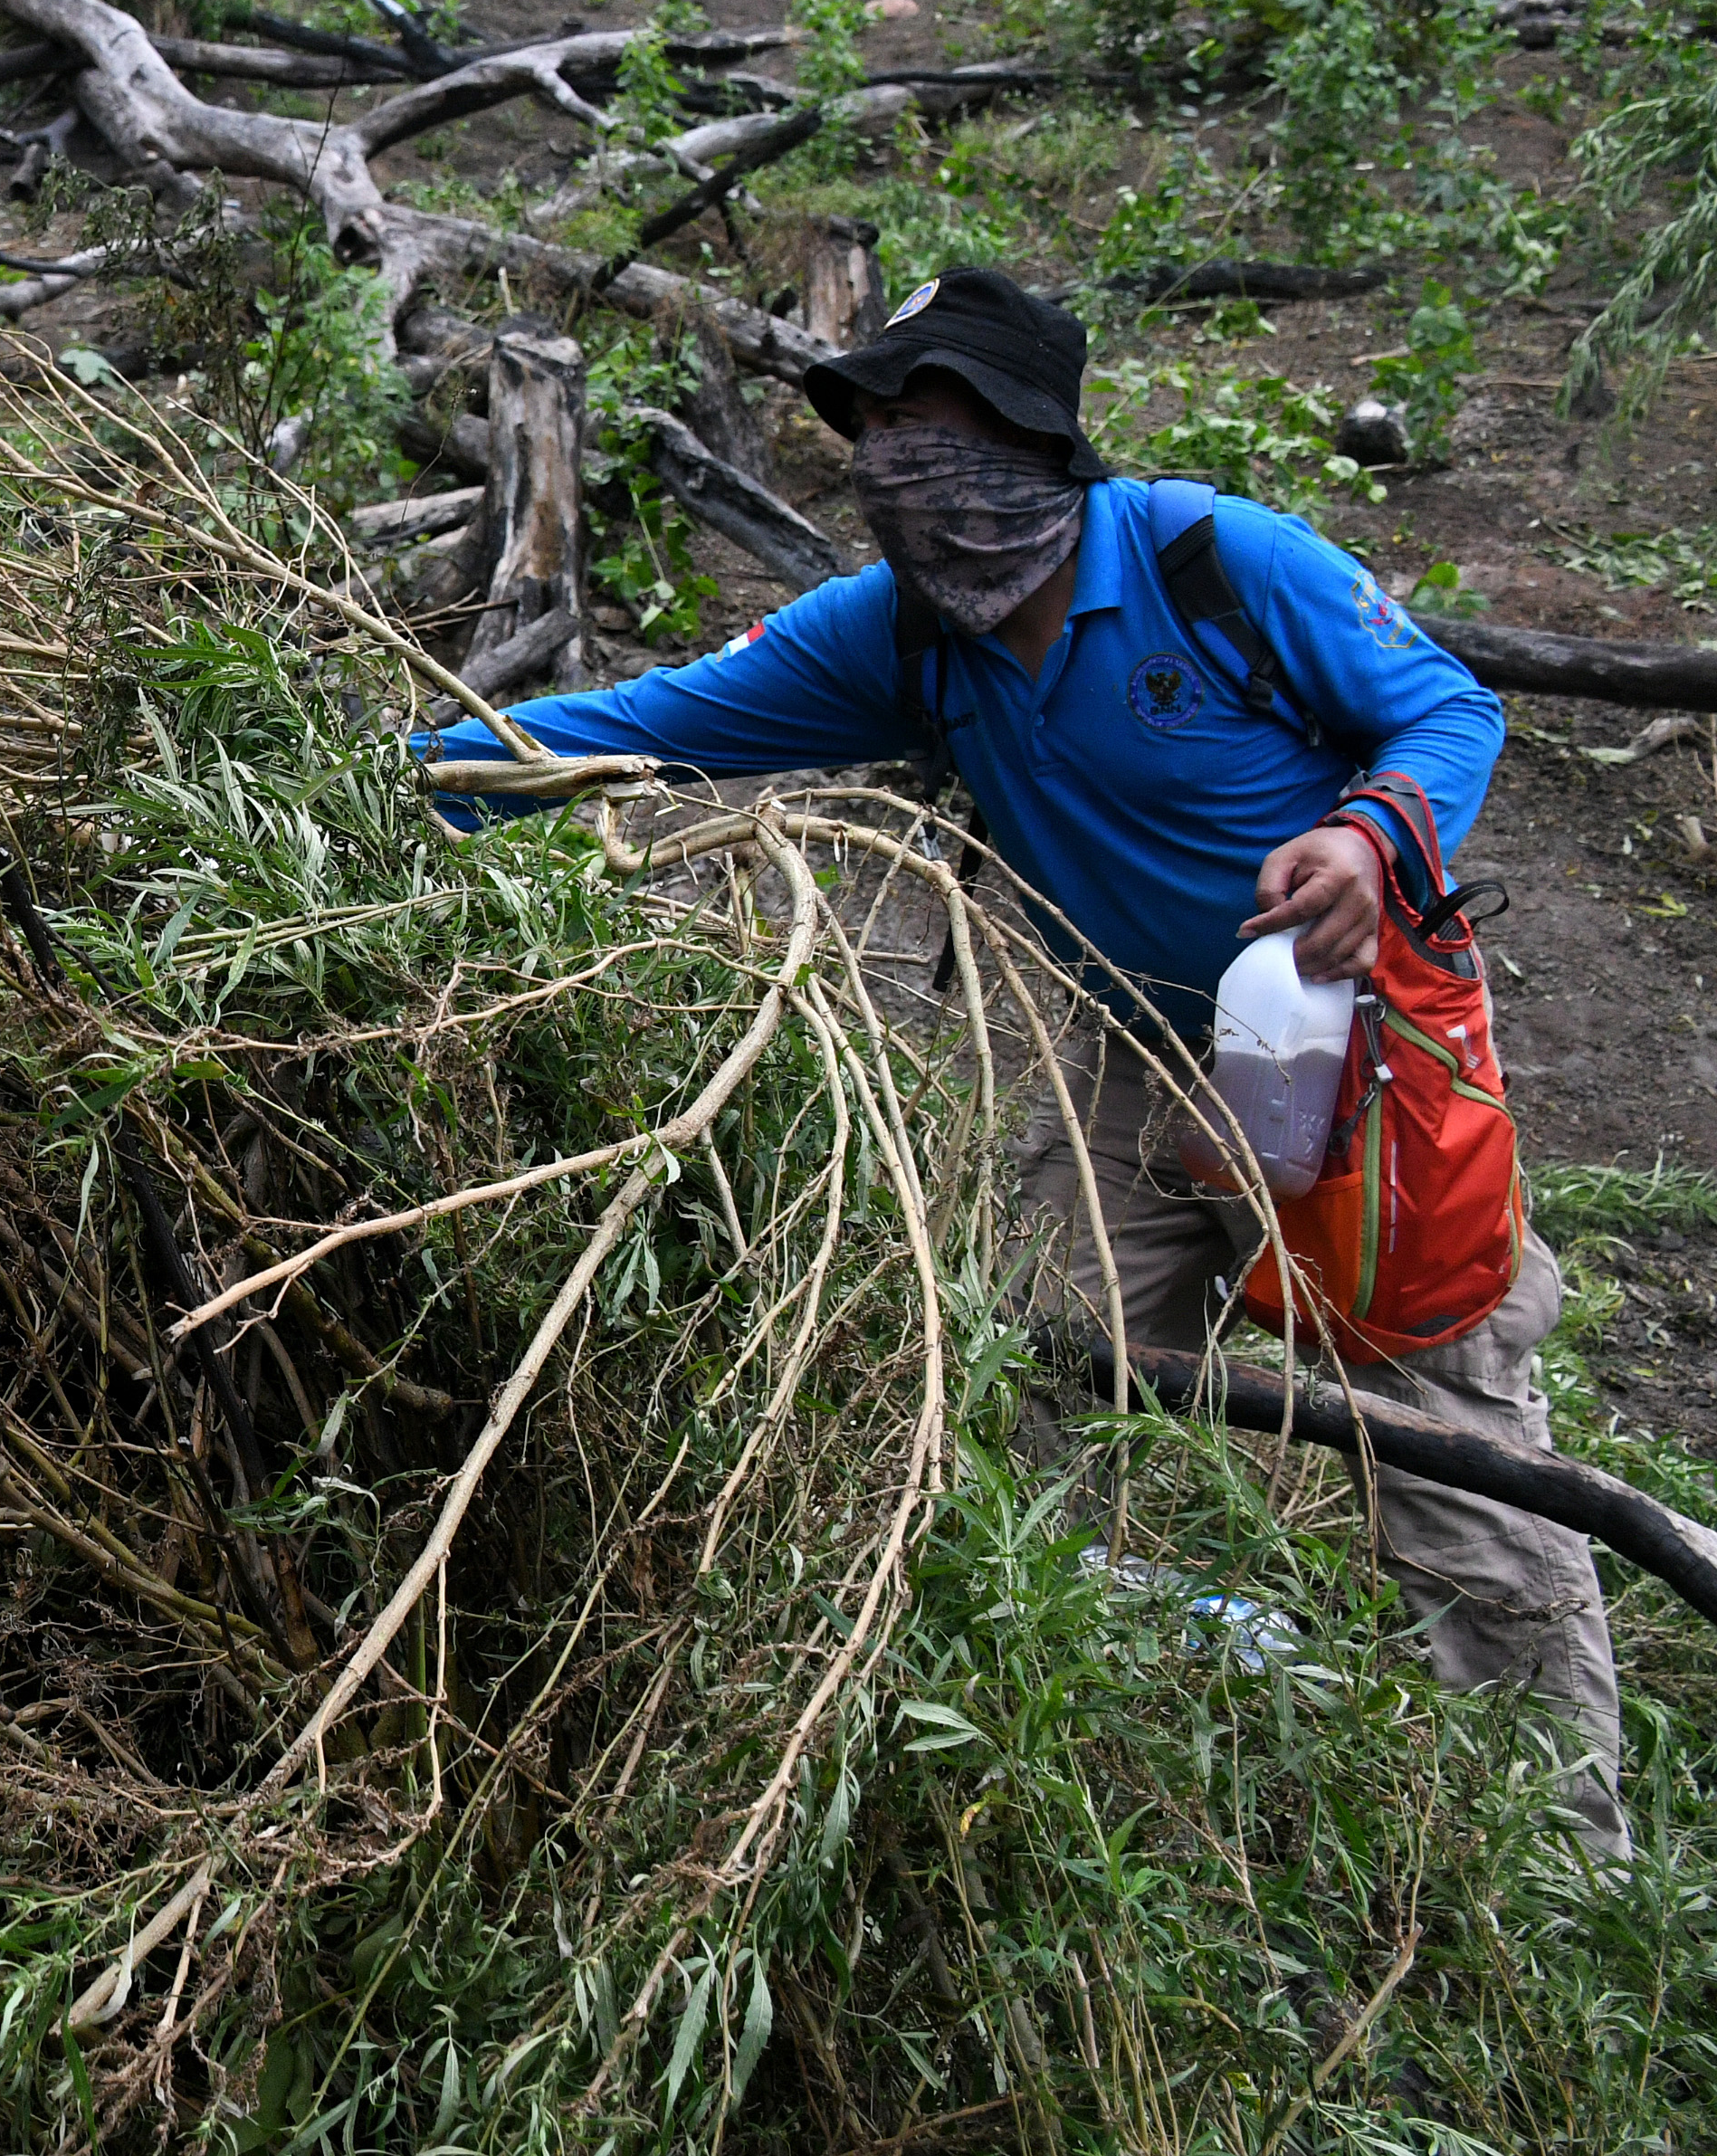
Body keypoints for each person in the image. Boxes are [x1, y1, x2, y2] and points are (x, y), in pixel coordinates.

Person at [408, 269, 1630, 1857]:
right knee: (1023, 1370)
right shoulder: (901, 635)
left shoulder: (1210, 561)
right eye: (875, 428)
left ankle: (1558, 1856)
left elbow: (1447, 710)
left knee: (1440, 1421)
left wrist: (1365, 836)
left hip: (1353, 1053)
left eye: (935, 421)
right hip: (1130, 1053)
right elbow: (651, 722)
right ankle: (1098, 1746)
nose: (898, 462)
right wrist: (401, 773)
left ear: (1037, 436)